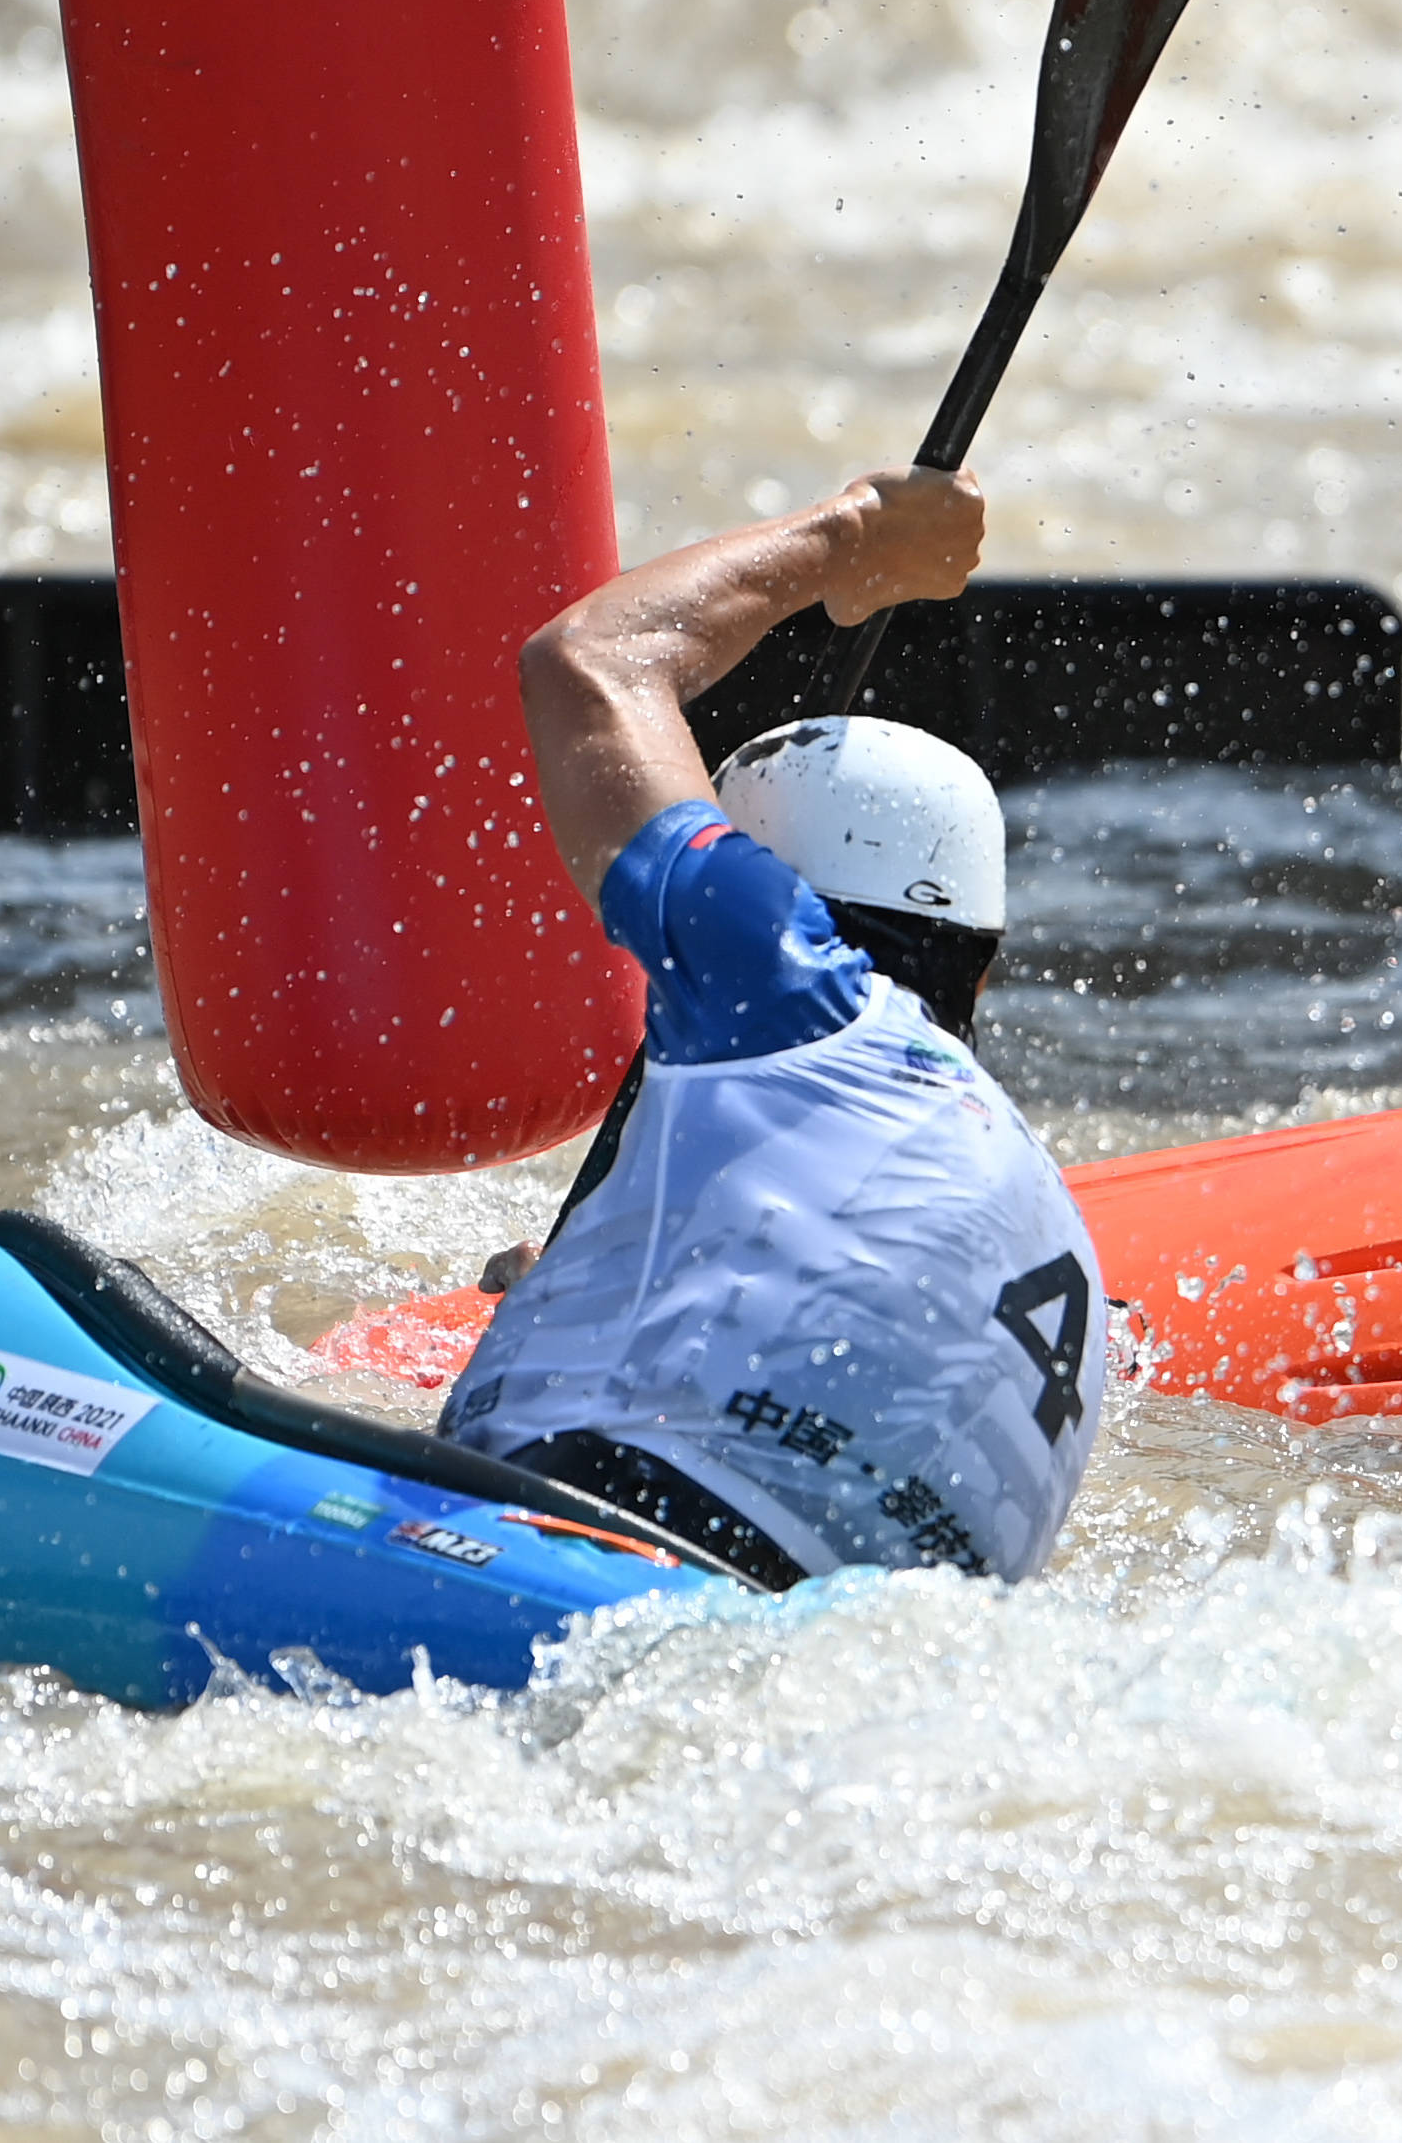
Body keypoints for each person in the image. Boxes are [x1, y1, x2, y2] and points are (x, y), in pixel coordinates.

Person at [438, 466, 1106, 1589]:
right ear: (983, 972)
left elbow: (587, 661)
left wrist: (850, 542)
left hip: (578, 1555)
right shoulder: (1053, 1230)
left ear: (756, 889)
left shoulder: (778, 973)